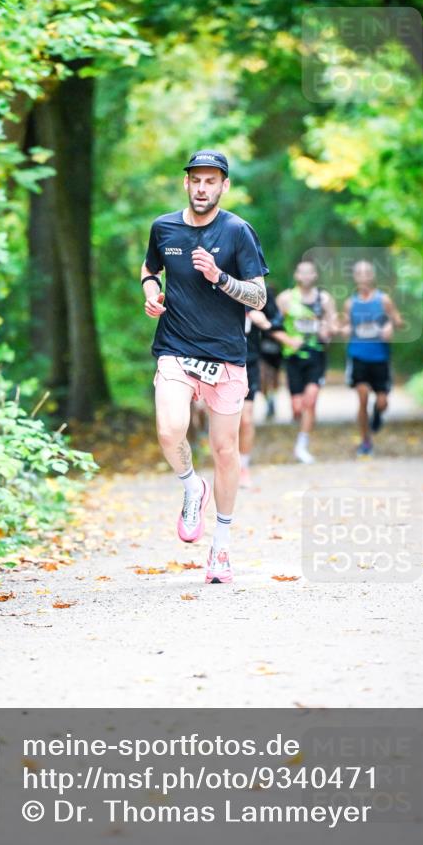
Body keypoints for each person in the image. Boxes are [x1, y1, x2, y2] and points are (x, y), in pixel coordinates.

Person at [141, 149, 269, 584]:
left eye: (211, 181)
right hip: (175, 347)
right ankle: (191, 485)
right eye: (196, 180)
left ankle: (221, 547)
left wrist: (220, 277)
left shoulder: (237, 232)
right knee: (169, 429)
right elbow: (150, 267)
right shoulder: (164, 227)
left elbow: (259, 296)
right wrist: (150, 291)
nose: (202, 188)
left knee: (224, 450)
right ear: (186, 183)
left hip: (226, 355)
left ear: (223, 186)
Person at [276, 260, 337, 464]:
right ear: (296, 275)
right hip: (293, 357)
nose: (306, 276)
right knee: (297, 406)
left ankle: (302, 445)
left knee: (310, 400)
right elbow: (274, 327)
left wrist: (326, 330)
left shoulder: (324, 299)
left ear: (315, 275)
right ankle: (299, 421)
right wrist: (287, 339)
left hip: (316, 354)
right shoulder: (285, 299)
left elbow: (333, 326)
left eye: (310, 272)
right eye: (302, 272)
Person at [342, 259, 404, 455]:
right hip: (358, 355)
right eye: (359, 273)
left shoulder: (383, 300)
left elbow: (399, 321)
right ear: (355, 277)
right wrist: (345, 329)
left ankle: (378, 413)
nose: (363, 277)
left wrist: (390, 326)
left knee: (382, 402)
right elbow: (344, 326)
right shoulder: (350, 303)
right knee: (362, 397)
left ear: (372, 276)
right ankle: (365, 441)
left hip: (380, 357)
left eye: (366, 273)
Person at [238, 304, 283, 488]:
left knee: (246, 420)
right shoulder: (213, 285)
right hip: (219, 362)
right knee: (224, 423)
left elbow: (274, 322)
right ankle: (225, 466)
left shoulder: (255, 290)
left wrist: (262, 320)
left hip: (249, 362)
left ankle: (243, 468)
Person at [259, 284, 283, 421]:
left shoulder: (278, 310)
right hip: (263, 348)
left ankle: (272, 400)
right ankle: (268, 400)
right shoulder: (259, 308)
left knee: (274, 377)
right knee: (264, 376)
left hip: (276, 348)